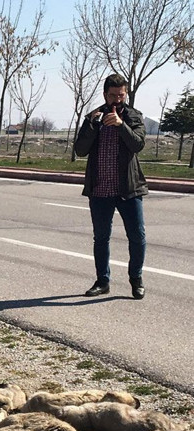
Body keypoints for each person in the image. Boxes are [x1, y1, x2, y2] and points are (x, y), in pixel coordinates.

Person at [74, 73, 147, 300]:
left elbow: (138, 144)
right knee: (101, 237)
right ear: (105, 94)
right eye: (113, 95)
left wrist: (121, 125)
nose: (117, 99)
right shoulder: (93, 117)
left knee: (137, 236)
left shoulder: (133, 116)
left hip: (128, 189)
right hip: (100, 190)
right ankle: (102, 281)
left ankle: (136, 279)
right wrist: (92, 125)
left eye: (121, 95)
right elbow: (80, 150)